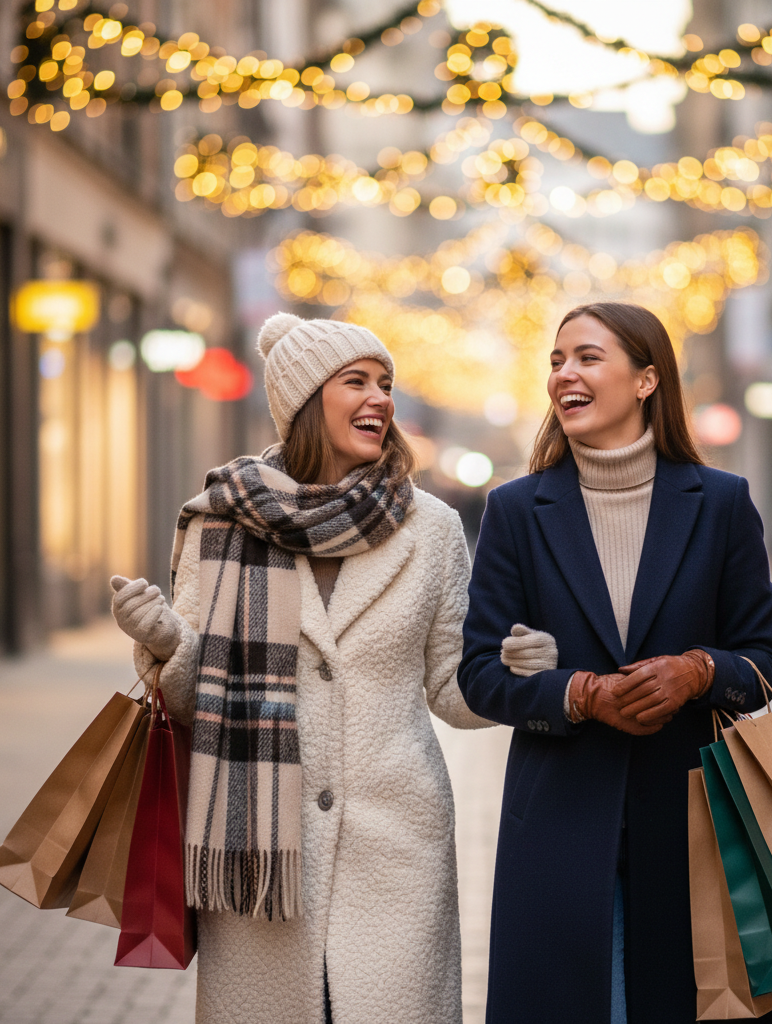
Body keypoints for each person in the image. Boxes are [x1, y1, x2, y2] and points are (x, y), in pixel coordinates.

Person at [109, 313, 491, 1024]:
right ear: (309, 400)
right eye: (357, 382)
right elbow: (193, 700)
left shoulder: (432, 528)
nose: (380, 398)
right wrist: (166, 642)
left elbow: (452, 688)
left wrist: (515, 669)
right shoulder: (222, 522)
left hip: (396, 844)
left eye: (386, 383)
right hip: (259, 852)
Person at [457, 302, 772, 1024]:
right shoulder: (516, 509)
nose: (563, 374)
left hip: (697, 822)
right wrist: (577, 693)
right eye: (555, 360)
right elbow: (478, 674)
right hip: (559, 823)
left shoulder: (721, 502)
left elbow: (763, 660)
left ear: (646, 380)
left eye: (586, 357)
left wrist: (698, 671)